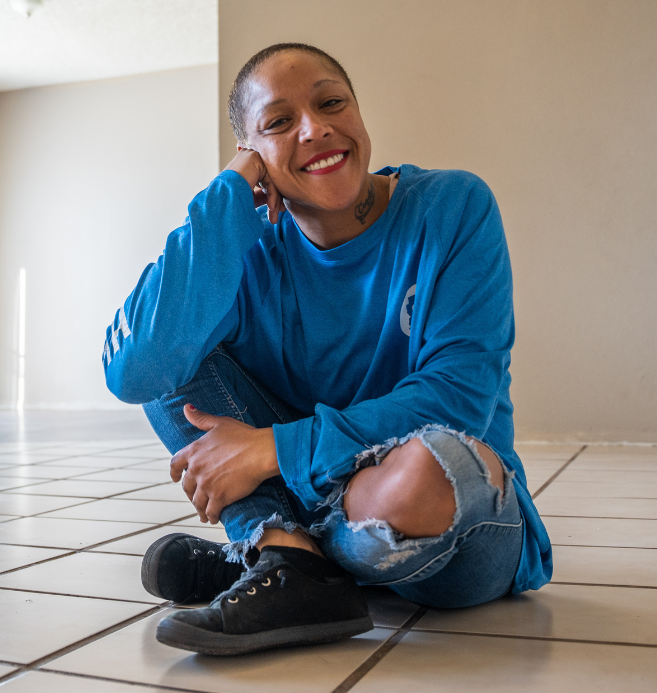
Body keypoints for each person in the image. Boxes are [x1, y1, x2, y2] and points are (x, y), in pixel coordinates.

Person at [102, 43, 551, 656]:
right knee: (176, 355)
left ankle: (281, 555)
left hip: (447, 516)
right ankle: (290, 562)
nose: (315, 128)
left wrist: (272, 448)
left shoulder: (453, 206)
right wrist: (230, 193)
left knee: (424, 472)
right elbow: (139, 368)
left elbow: (459, 398)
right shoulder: (248, 252)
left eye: (330, 103)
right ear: (251, 151)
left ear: (358, 113)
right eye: (279, 122)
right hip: (323, 482)